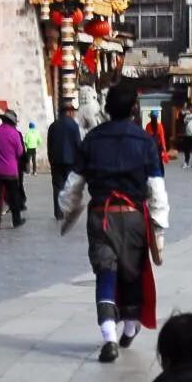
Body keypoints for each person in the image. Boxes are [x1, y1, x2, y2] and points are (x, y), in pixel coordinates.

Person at [59, 82, 170, 363]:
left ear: (107, 108)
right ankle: (130, 327)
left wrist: (67, 210)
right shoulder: (145, 142)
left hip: (101, 215)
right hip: (133, 216)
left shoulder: (92, 139)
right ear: (135, 108)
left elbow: (74, 184)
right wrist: (158, 227)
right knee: (132, 272)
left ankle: (108, 335)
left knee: (105, 271)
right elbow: (156, 187)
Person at [45, 105, 80, 219]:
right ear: (69, 112)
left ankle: (58, 212)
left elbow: (49, 145)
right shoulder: (73, 126)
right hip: (71, 161)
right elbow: (77, 144)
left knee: (57, 187)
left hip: (56, 160)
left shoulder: (53, 126)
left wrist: (50, 159)